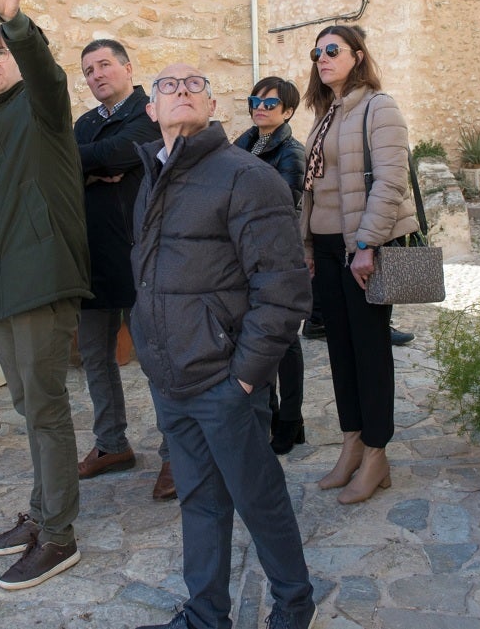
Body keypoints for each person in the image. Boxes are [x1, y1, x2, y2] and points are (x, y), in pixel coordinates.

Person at [130, 63, 316, 629]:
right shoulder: (152, 176)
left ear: (213, 108)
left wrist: (244, 377)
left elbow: (283, 291)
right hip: (172, 378)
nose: (181, 92)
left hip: (223, 382)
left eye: (195, 86)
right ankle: (206, 614)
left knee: (258, 500)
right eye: (169, 86)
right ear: (151, 109)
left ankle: (293, 605)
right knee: (200, 501)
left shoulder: (245, 176)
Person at [0, 0, 90, 591]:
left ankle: (59, 535)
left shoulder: (40, 108)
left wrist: (15, 20)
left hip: (44, 278)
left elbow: (47, 74)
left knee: (44, 410)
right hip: (9, 288)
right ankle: (43, 512)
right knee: (25, 405)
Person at [301, 25, 420, 505]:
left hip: (364, 248)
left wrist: (367, 243)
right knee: (340, 352)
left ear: (357, 55)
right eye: (317, 52)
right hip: (329, 249)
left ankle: (377, 453)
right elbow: (314, 188)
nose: (323, 58)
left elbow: (390, 180)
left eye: (333, 50)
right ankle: (353, 443)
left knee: (370, 352)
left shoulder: (379, 106)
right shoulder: (326, 115)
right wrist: (308, 246)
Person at [72, 38, 175, 498]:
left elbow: (130, 150)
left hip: (139, 257)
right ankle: (111, 443)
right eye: (88, 70)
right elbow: (65, 165)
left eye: (104, 65)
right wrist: (98, 166)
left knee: (154, 359)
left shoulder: (147, 112)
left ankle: (176, 454)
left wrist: (96, 165)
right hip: (91, 261)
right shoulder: (83, 123)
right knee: (96, 357)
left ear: (128, 67)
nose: (96, 75)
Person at [232, 76, 308, 456]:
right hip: (246, 254)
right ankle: (272, 411)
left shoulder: (292, 152)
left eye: (270, 104)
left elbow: (282, 206)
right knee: (258, 337)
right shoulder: (243, 144)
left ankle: (291, 421)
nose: (260, 108)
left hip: (278, 255)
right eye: (255, 102)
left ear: (288, 111)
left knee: (285, 340)